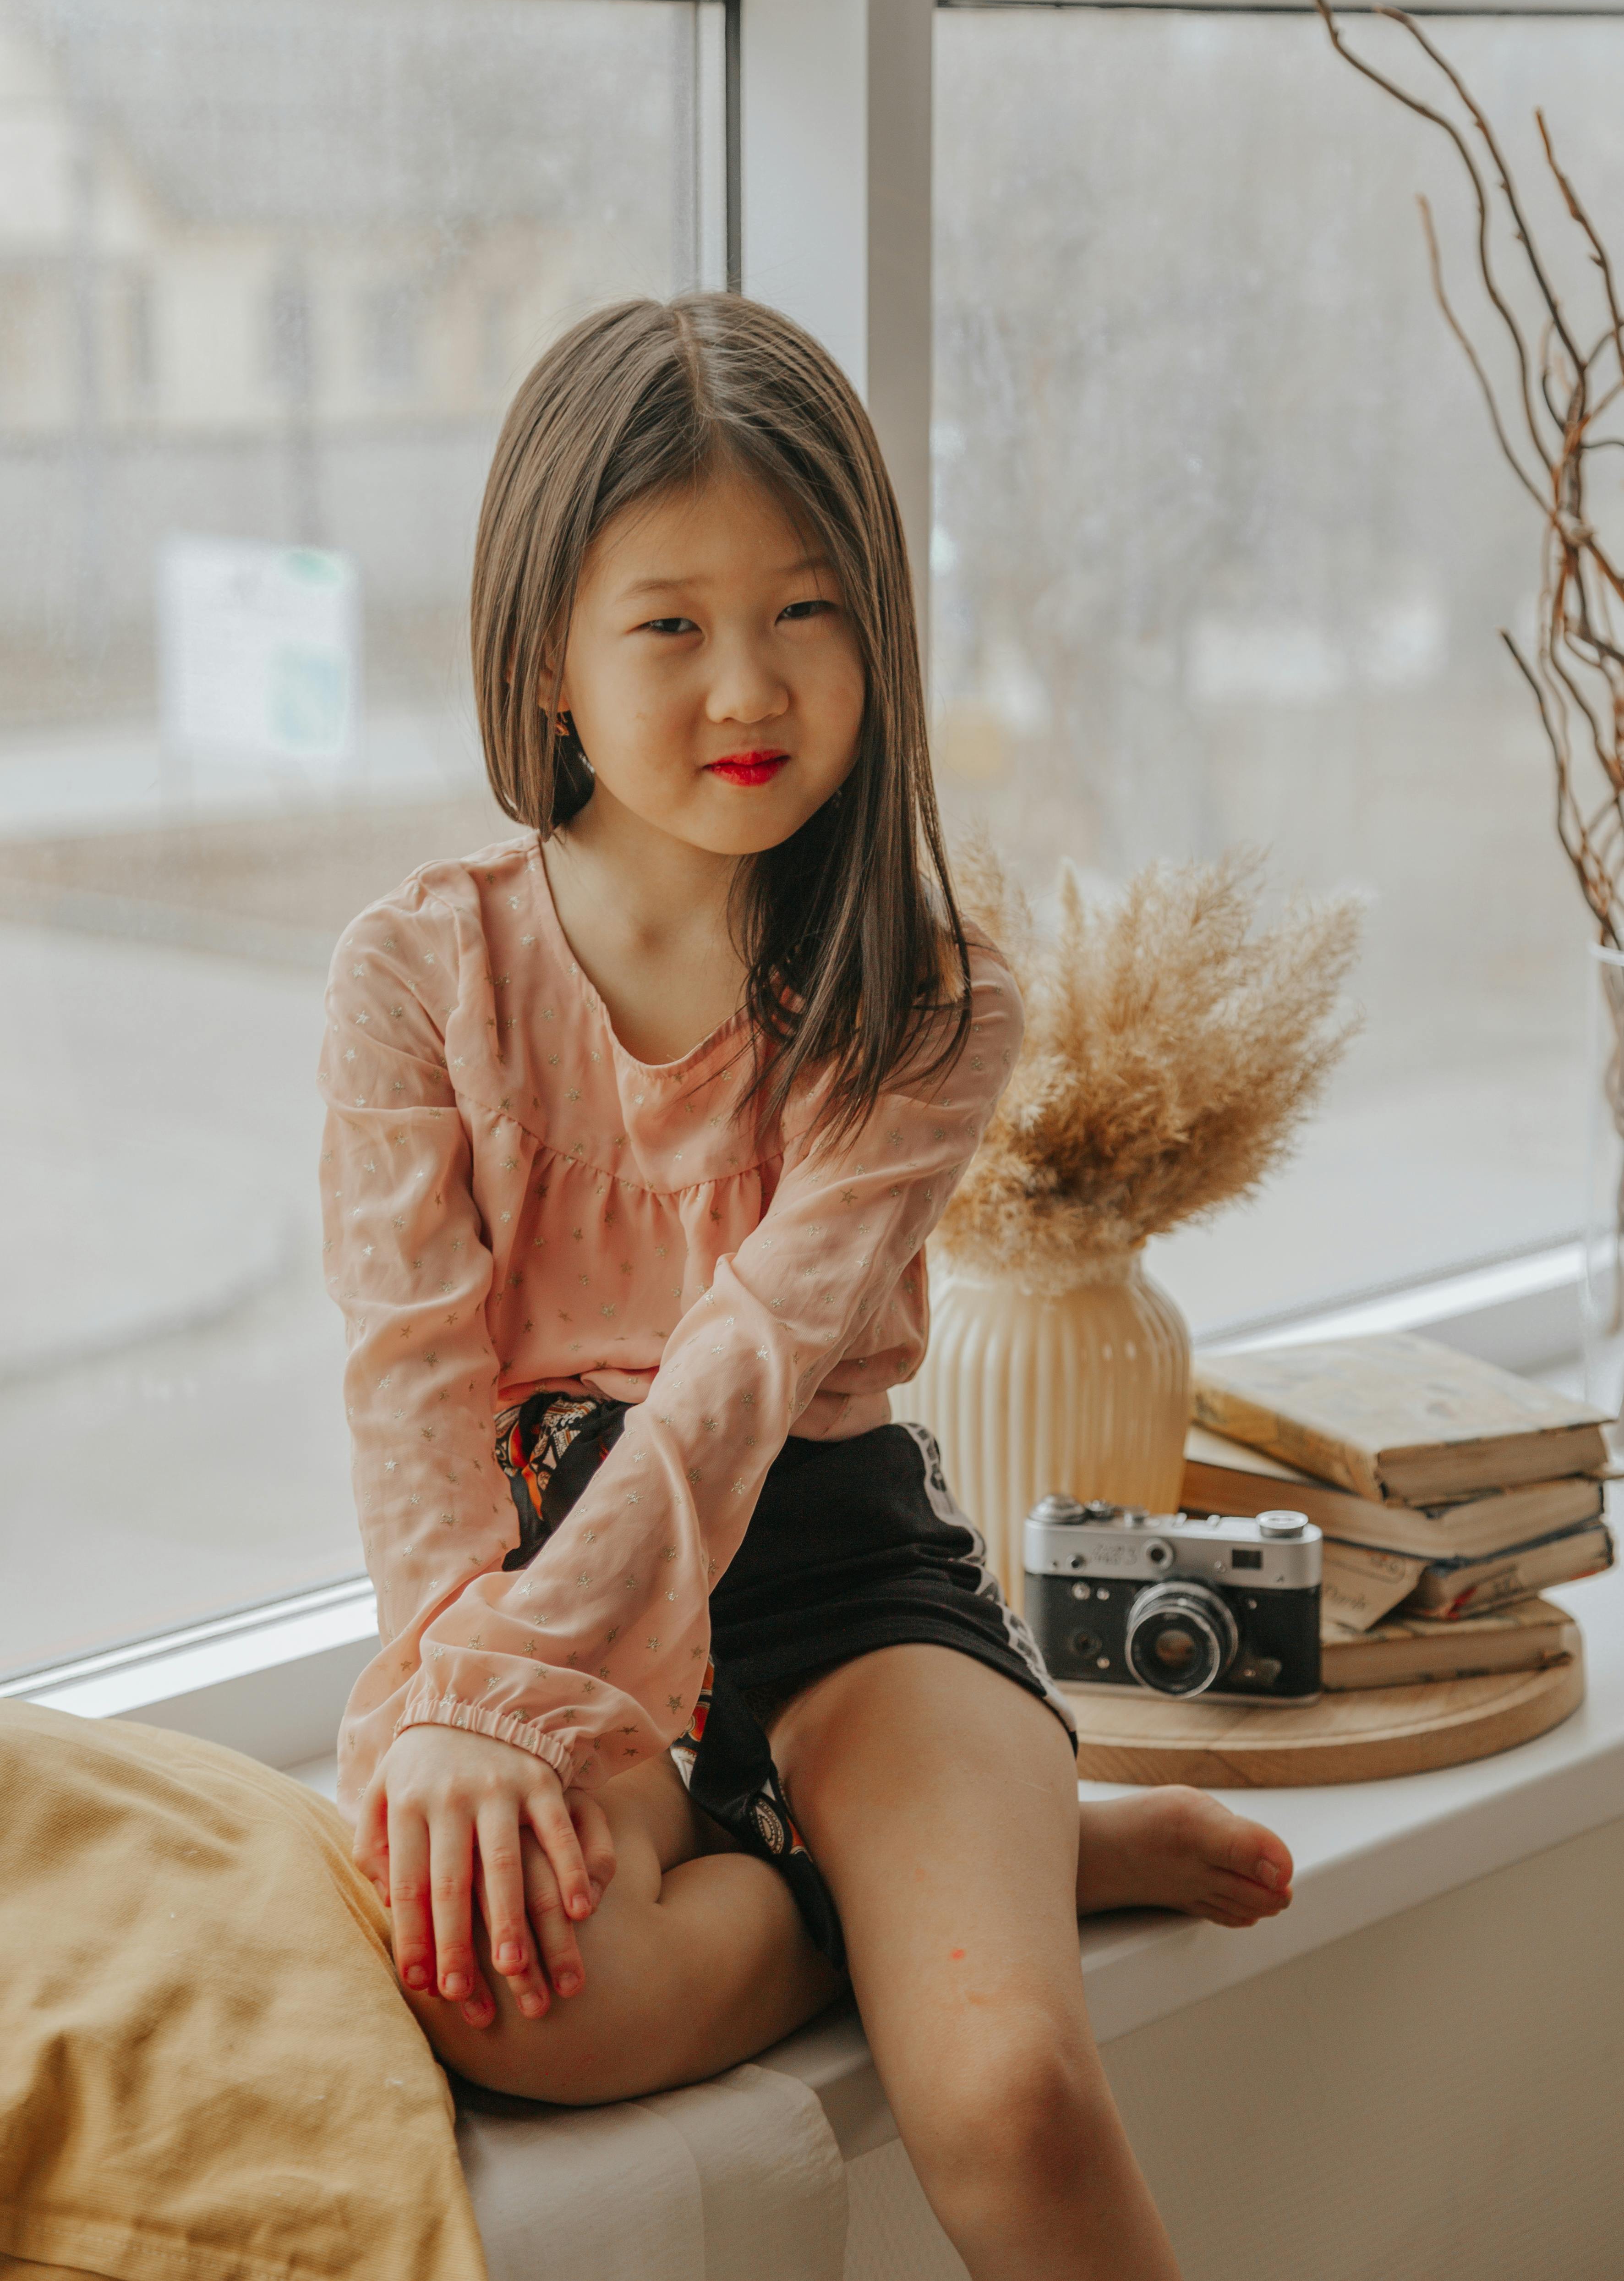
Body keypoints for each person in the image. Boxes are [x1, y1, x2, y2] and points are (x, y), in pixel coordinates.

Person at [319, 293, 1294, 2281]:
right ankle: (897, 1865)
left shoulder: (925, 994)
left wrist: (501, 1691)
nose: (747, 682)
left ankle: (940, 1814)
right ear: (549, 665)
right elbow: (414, 1402)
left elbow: (741, 1374)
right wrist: (456, 1698)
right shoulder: (415, 978)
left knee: (1008, 2092)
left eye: (807, 609)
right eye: (668, 623)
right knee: (509, 1994)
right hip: (541, 1591)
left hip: (825, 1564)